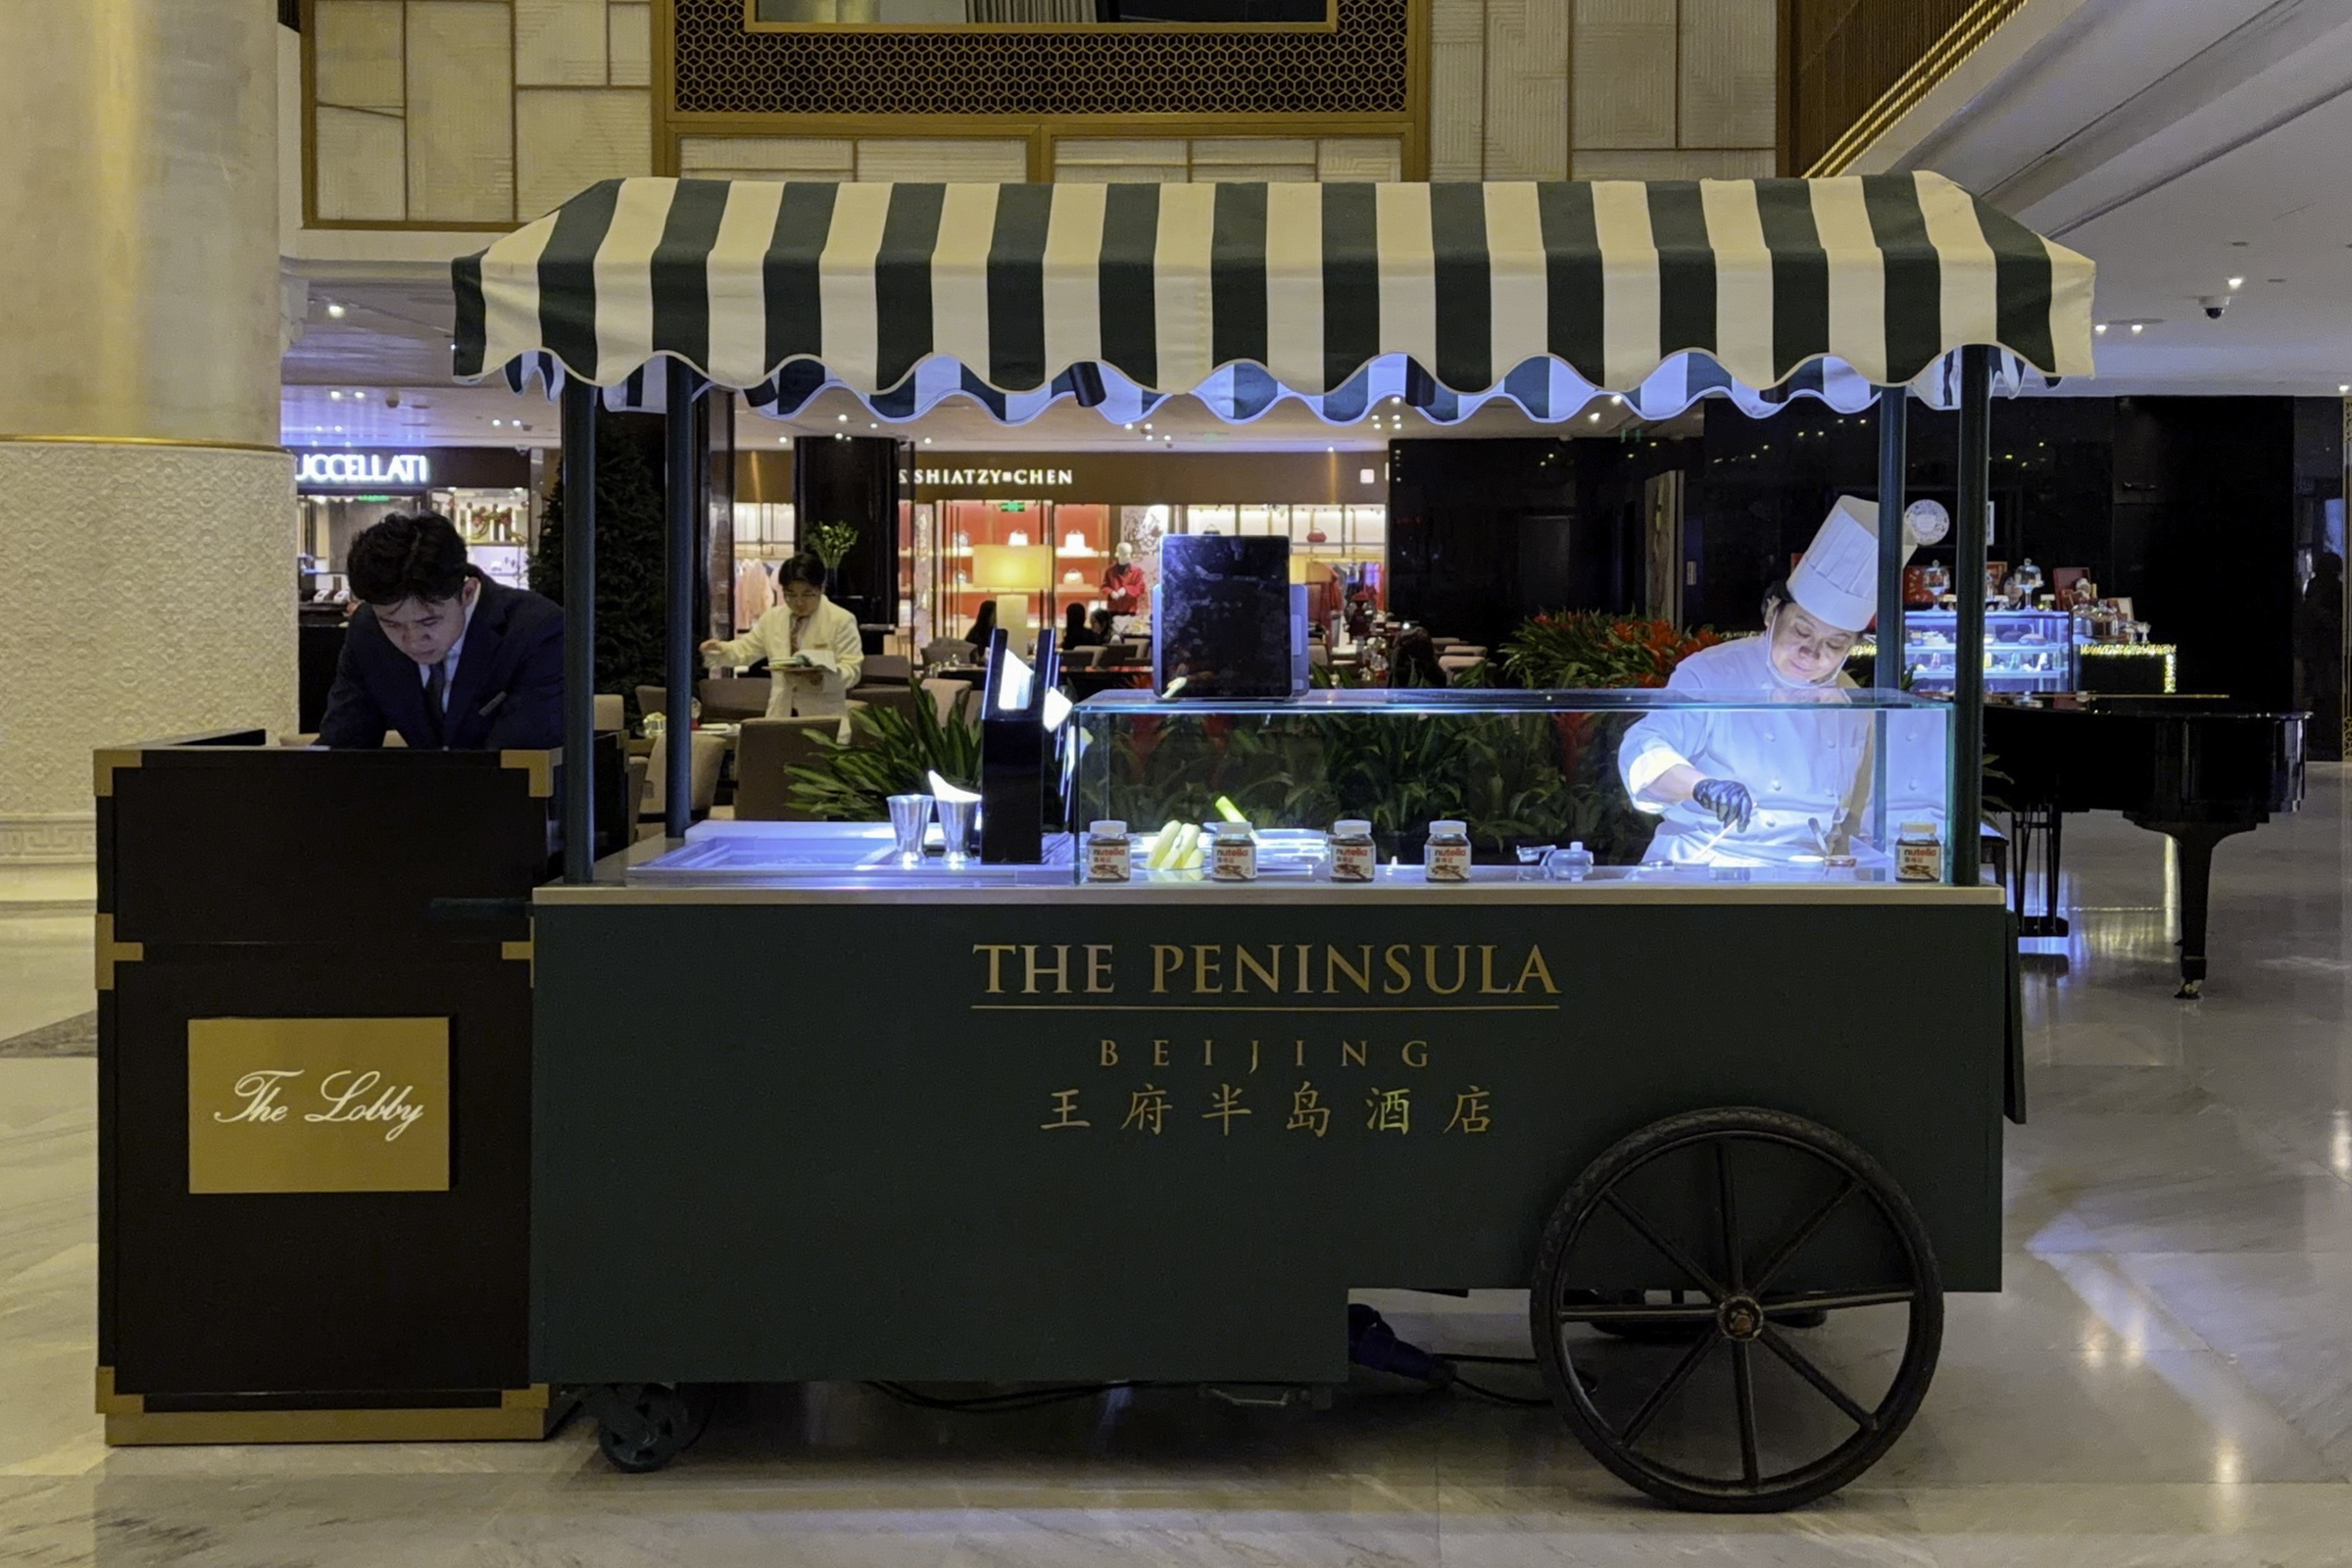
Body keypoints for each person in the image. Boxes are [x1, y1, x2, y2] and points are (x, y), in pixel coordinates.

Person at [1619, 496, 1943, 866]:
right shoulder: (1711, 672)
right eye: (1802, 632)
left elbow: (1864, 807)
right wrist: (1700, 786)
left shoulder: (1849, 699)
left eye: (1834, 644)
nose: (1812, 652)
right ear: (1773, 614)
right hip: (1704, 862)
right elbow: (1644, 748)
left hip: (1805, 871)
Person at [318, 512, 564, 750]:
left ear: (467, 593)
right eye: (392, 624)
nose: (413, 641)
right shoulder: (367, 630)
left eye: (429, 622)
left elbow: (524, 762)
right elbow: (342, 745)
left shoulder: (536, 630)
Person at [701, 552, 863, 721]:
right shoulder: (773, 619)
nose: (799, 602)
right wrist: (720, 649)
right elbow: (746, 650)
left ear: (821, 588)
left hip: (824, 719)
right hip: (780, 715)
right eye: (791, 595)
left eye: (807, 594)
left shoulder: (841, 620)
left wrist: (822, 678)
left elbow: (852, 671)